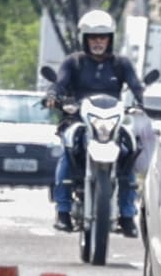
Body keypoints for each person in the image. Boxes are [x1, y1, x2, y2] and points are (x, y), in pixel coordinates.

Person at [40, 18, 135, 235]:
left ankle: (128, 215)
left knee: (129, 153)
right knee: (68, 151)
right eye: (93, 37)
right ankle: (63, 212)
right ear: (84, 39)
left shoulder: (121, 64)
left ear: (110, 39)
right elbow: (60, 83)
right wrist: (54, 95)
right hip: (78, 121)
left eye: (102, 37)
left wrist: (146, 100)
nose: (98, 42)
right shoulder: (73, 63)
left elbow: (137, 88)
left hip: (112, 123)